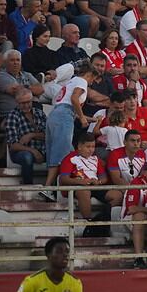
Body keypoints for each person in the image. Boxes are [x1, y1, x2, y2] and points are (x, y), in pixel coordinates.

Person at [40, 63, 98, 202]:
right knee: (62, 154)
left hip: (55, 115)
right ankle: (48, 188)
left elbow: (69, 105)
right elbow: (74, 100)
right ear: (89, 75)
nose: (91, 83)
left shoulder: (70, 82)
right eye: (92, 79)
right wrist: (83, 118)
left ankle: (59, 187)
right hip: (64, 117)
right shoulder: (82, 81)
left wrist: (90, 118)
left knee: (67, 153)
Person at [4, 237, 82, 292]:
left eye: (67, 251)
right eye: (59, 251)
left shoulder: (75, 284)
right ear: (48, 255)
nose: (65, 254)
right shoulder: (32, 282)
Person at [122, 160, 147, 269]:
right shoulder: (136, 183)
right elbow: (132, 209)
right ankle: (138, 258)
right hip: (130, 219)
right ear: (145, 173)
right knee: (139, 216)